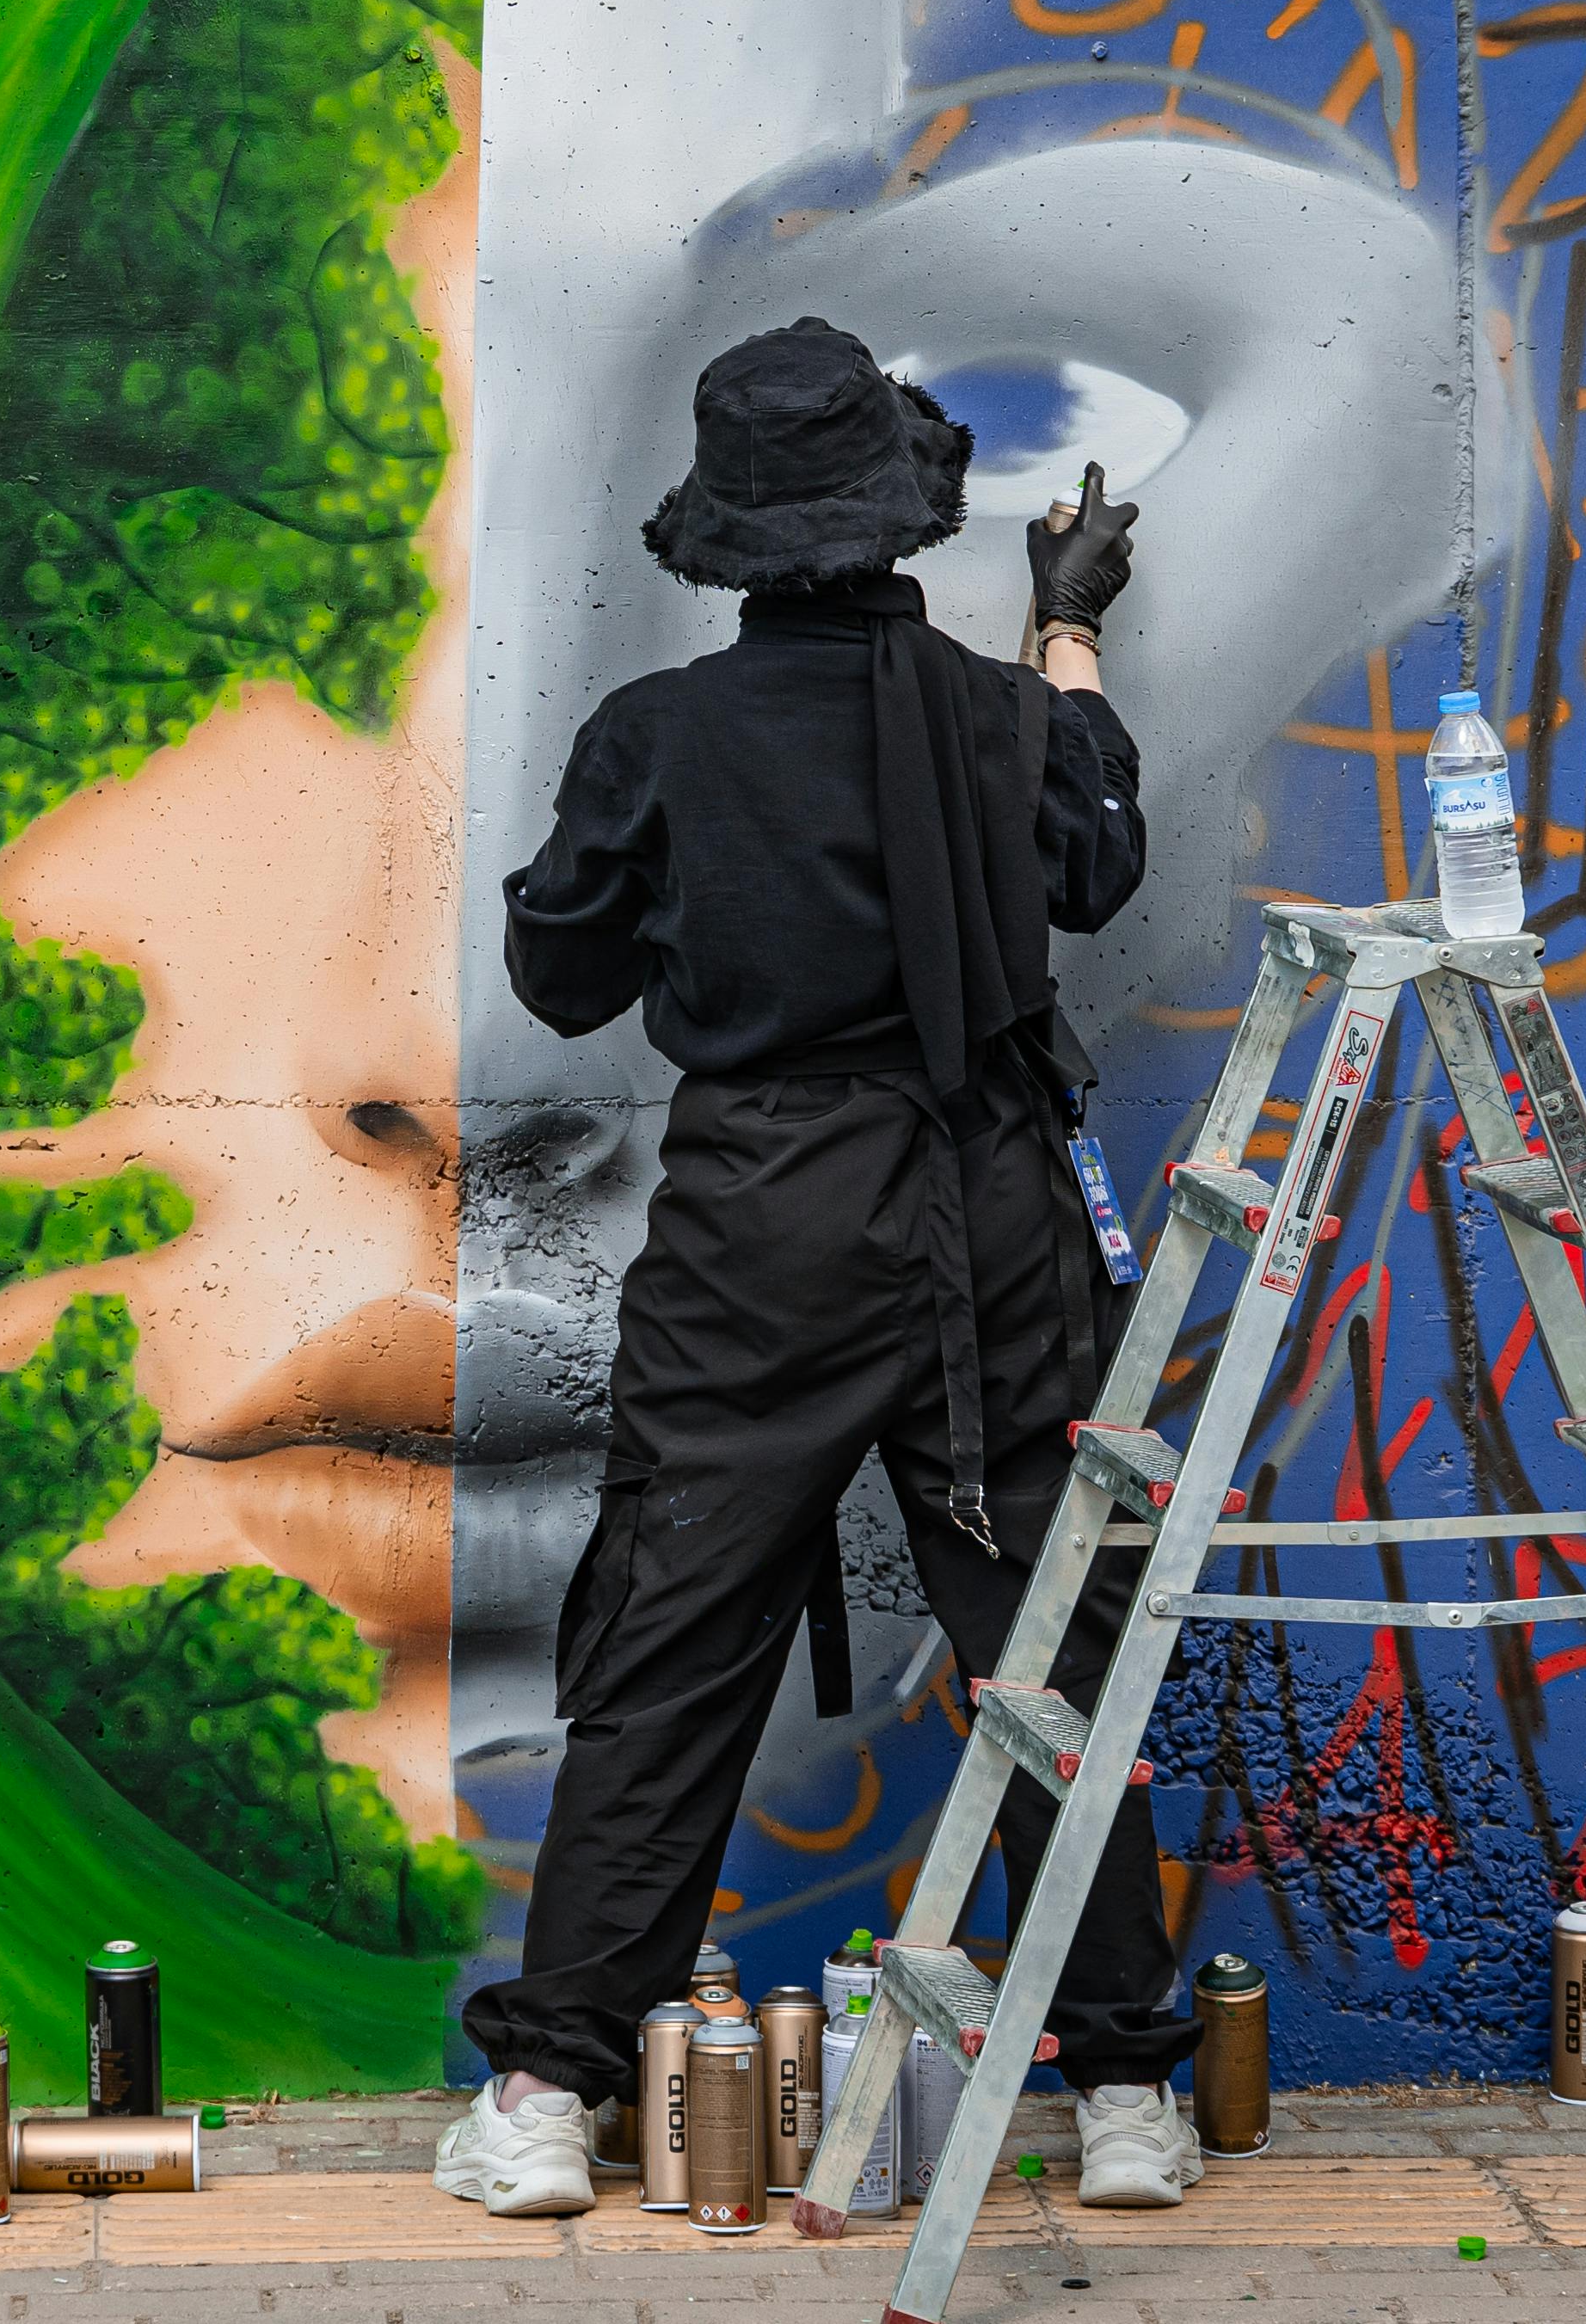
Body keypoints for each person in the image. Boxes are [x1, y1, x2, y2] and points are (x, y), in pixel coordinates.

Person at [433, 314, 1196, 2221]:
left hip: (758, 1230)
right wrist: (1070, 625)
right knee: (1047, 1651)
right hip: (989, 1225)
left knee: (673, 1651)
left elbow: (564, 972)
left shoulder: (661, 741)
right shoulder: (1013, 713)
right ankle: (1121, 2097)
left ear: (729, 539)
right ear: (897, 519)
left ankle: (546, 2100)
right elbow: (1095, 859)